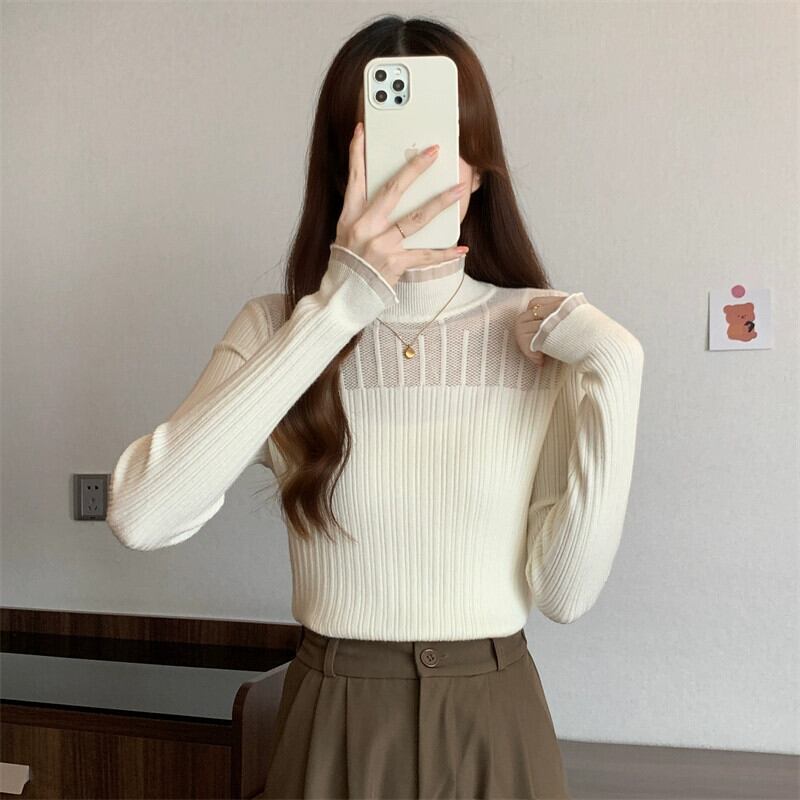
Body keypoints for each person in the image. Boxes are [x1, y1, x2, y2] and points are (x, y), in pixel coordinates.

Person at [107, 14, 644, 800]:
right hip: (334, 717)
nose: (413, 172)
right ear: (340, 171)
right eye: (387, 150)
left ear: (479, 169)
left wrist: (617, 368)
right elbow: (142, 515)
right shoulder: (281, 329)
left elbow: (565, 596)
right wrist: (338, 308)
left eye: (440, 143)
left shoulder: (543, 332)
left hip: (496, 719)